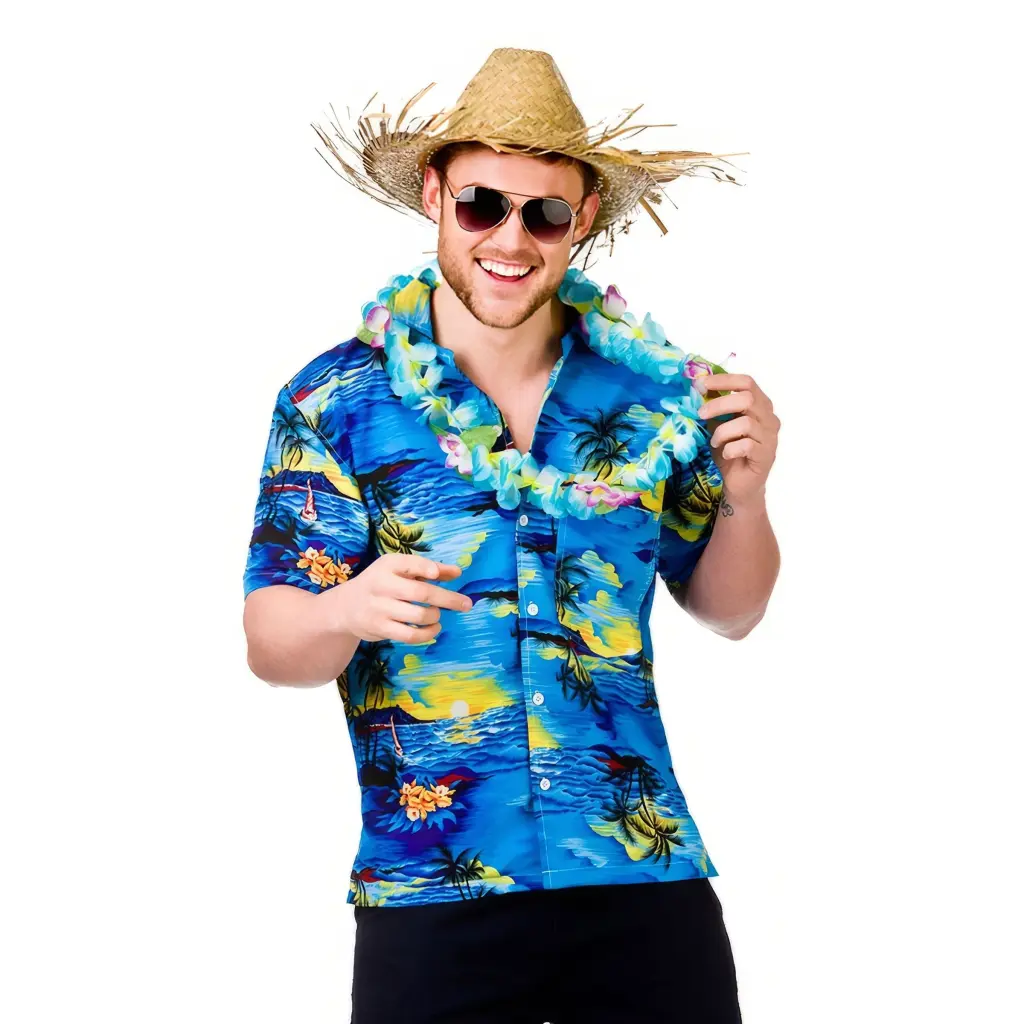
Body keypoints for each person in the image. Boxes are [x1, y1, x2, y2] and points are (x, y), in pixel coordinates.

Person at [242, 47, 780, 1024]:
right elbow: (272, 645)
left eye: (544, 214)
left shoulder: (657, 394)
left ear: (584, 219)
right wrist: (346, 609)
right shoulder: (336, 400)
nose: (510, 238)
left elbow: (730, 611)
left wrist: (745, 493)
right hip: (431, 890)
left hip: (641, 881)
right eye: (482, 204)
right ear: (435, 194)